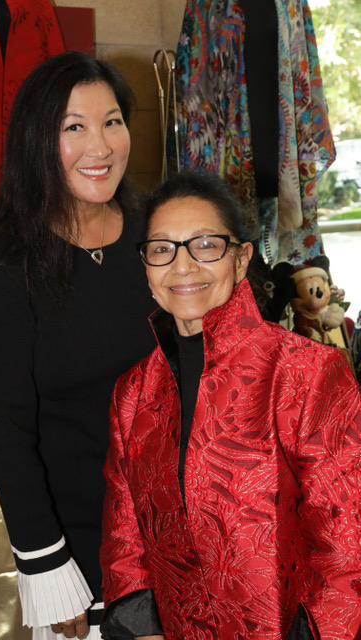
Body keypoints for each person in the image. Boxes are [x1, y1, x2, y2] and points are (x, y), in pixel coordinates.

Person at [100, 171, 361, 640]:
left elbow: (348, 542)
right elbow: (125, 533)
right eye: (162, 248)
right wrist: (144, 629)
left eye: (205, 245)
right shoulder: (133, 391)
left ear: (241, 259)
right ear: (146, 264)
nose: (182, 266)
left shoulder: (306, 373)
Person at [0, 51, 157, 640]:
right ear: (37, 142)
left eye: (112, 121)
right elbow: (9, 436)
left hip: (186, 537)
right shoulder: (7, 272)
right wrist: (46, 565)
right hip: (84, 554)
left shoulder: (159, 236)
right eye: (74, 127)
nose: (100, 146)